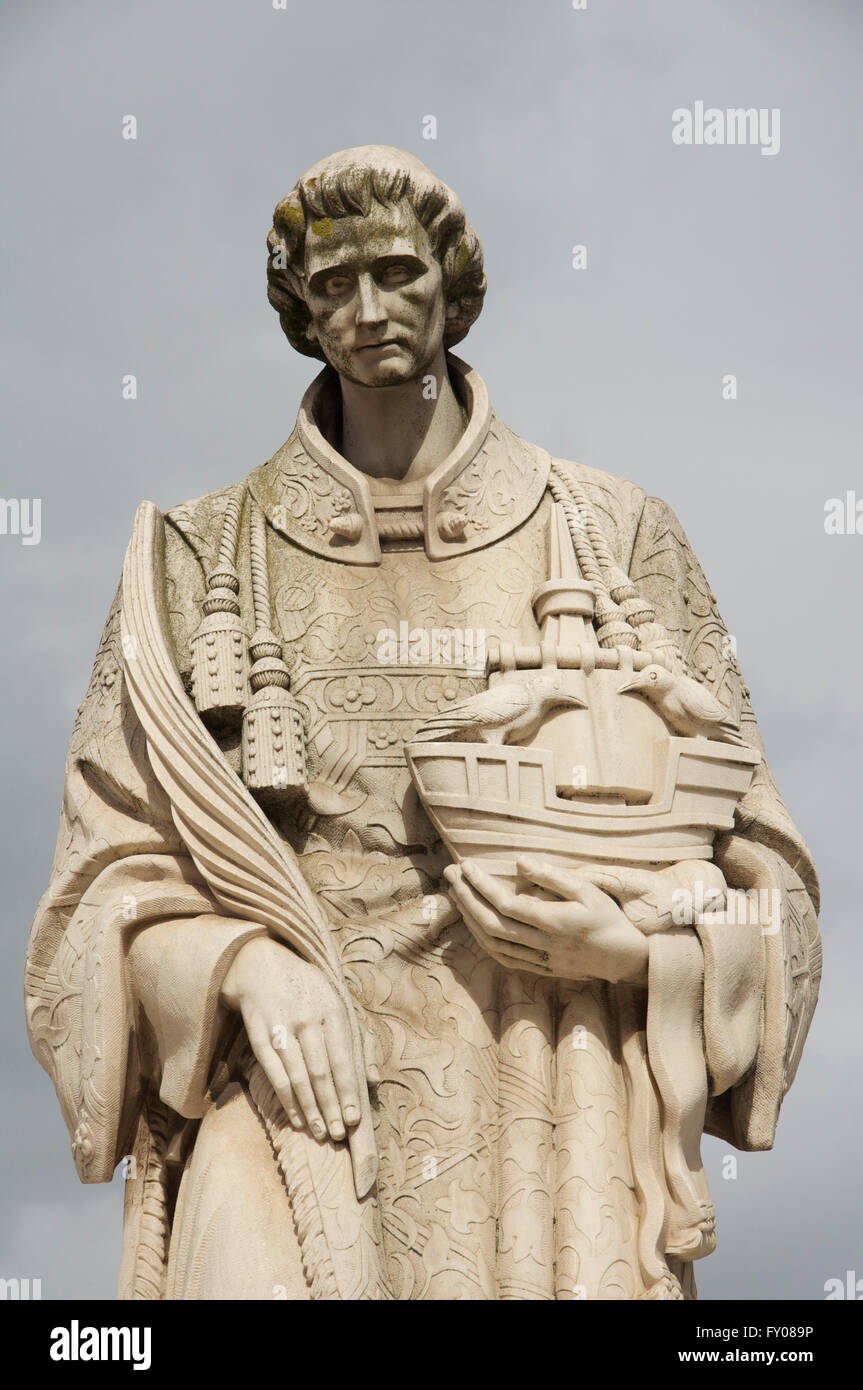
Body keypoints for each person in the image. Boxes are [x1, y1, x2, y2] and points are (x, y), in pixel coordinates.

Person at [26, 146, 821, 1300]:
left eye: (396, 273)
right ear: (299, 307)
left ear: (451, 285)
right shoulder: (194, 558)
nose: (365, 311)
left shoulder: (610, 532)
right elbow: (95, 892)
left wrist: (640, 954)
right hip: (293, 1082)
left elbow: (767, 878)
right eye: (331, 284)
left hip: (553, 1082)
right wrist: (236, 966)